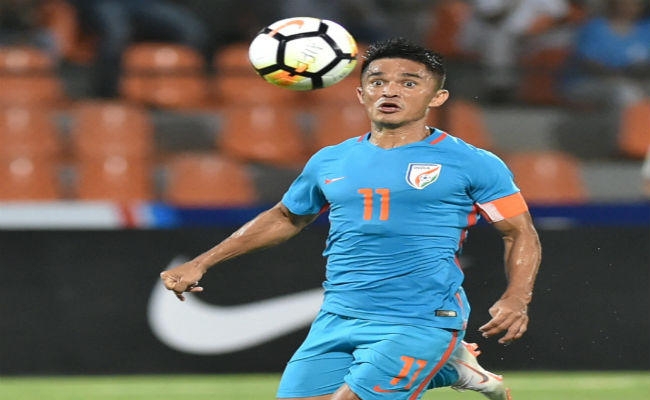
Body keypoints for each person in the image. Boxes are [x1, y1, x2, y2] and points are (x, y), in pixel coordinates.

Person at [160, 37, 541, 400]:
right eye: (377, 82)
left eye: (409, 83)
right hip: (339, 315)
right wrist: (202, 262)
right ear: (361, 94)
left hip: (421, 318)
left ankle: (441, 357)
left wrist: (516, 298)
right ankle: (452, 368)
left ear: (437, 97)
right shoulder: (330, 160)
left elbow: (519, 233)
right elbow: (286, 217)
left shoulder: (473, 162)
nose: (390, 91)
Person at [68, 0, 209, 98]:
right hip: (103, 3)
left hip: (144, 5)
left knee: (192, 32)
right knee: (116, 34)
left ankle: (179, 89)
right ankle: (107, 94)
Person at [560, 0, 650, 110]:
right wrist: (621, 74)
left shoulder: (645, 30)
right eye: (624, 3)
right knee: (625, 92)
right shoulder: (593, 27)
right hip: (589, 81)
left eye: (634, 3)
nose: (629, 7)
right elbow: (588, 63)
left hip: (636, 80)